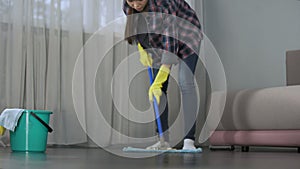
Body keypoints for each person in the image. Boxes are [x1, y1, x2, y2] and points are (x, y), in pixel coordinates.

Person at [123, 0, 203, 150]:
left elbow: (170, 42)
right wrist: (142, 49)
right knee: (158, 92)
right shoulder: (128, 4)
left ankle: (189, 140)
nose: (135, 4)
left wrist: (159, 79)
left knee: (186, 83)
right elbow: (138, 27)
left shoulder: (163, 5)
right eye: (130, 0)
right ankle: (163, 140)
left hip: (187, 36)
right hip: (158, 44)